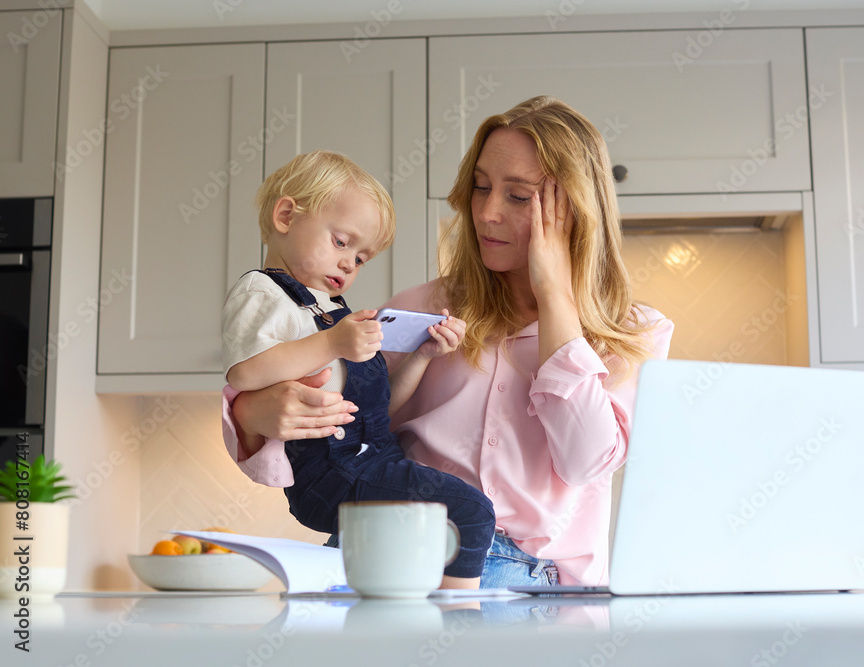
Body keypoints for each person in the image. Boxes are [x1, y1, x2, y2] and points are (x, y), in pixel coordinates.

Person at [223, 97, 674, 588]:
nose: (487, 213)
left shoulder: (635, 334)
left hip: (526, 584)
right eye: (480, 188)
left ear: (576, 211)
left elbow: (584, 459)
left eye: (519, 197)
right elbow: (356, 427)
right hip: (383, 554)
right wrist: (250, 413)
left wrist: (554, 296)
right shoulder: (420, 308)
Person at [221, 150, 495, 589]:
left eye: (362, 258)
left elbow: (378, 411)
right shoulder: (263, 292)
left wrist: (422, 355)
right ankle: (460, 627)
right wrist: (332, 341)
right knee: (471, 511)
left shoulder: (332, 311)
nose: (350, 263)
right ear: (287, 216)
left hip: (368, 462)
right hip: (331, 474)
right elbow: (245, 374)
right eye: (341, 242)